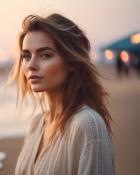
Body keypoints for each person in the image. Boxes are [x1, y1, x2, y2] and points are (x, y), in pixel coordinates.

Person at [6, 13, 115, 175]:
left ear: (71, 62)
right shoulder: (37, 124)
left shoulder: (87, 125)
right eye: (26, 56)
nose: (31, 65)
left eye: (45, 55)